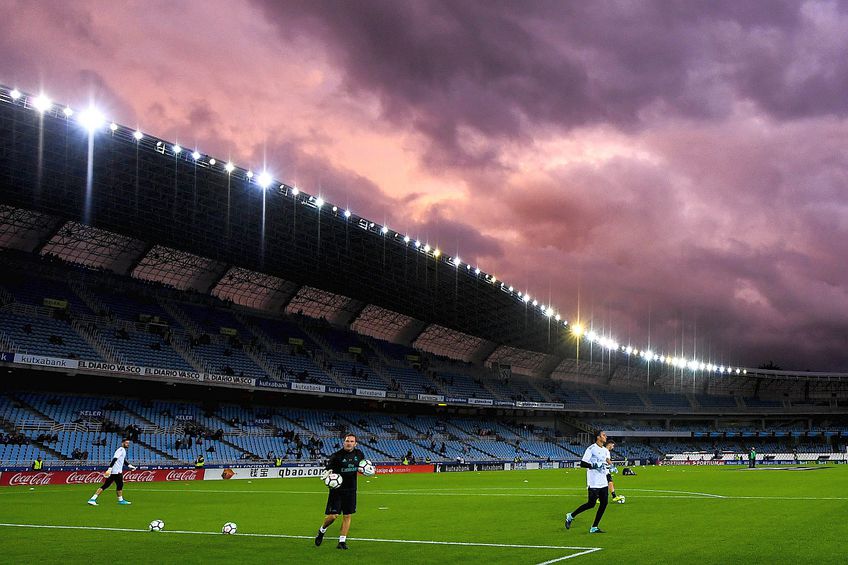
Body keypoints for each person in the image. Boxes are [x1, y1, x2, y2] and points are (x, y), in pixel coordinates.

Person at [314, 433, 366, 550]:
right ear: (344, 442)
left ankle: (342, 541)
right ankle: (322, 530)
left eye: (352, 441)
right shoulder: (336, 456)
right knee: (333, 516)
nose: (349, 443)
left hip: (351, 489)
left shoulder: (359, 454)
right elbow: (327, 469)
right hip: (337, 490)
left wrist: (366, 470)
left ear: (355, 444)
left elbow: (362, 467)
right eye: (347, 441)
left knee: (347, 515)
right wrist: (327, 474)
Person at [565, 430, 610, 533]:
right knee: (591, 504)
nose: (606, 437)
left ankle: (594, 527)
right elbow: (582, 464)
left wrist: (609, 467)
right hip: (594, 482)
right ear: (598, 437)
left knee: (604, 503)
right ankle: (570, 516)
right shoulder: (591, 449)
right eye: (603, 435)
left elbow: (604, 463)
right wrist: (593, 465)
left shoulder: (605, 450)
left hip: (603, 481)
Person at [87, 438, 136, 506]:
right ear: (122, 443)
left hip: (115, 471)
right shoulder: (121, 450)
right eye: (126, 443)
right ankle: (120, 500)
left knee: (107, 485)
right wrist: (109, 469)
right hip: (116, 471)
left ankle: (92, 499)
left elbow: (123, 460)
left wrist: (130, 465)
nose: (128, 444)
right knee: (119, 485)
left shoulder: (122, 450)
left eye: (128, 443)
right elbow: (115, 459)